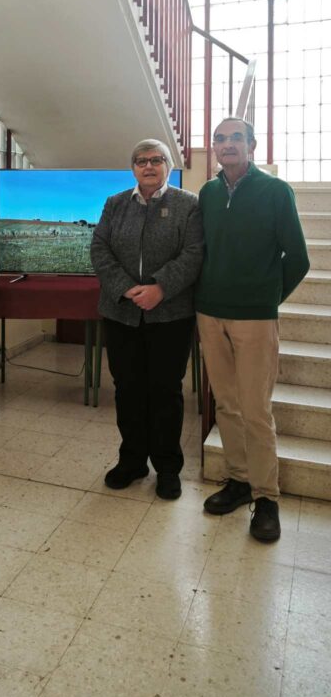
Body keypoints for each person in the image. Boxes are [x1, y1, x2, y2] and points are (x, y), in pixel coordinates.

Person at [196, 117, 309, 542]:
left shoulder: (276, 192)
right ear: (214, 149)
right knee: (226, 404)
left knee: (256, 410)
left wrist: (265, 298)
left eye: (235, 138)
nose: (227, 145)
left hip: (256, 318)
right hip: (209, 314)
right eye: (220, 139)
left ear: (252, 145)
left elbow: (297, 258)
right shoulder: (206, 193)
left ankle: (266, 497)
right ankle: (239, 481)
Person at [91, 139, 204, 500]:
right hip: (121, 313)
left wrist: (159, 288)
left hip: (170, 314)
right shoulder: (115, 204)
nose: (149, 166)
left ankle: (168, 468)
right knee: (127, 390)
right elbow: (99, 248)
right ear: (133, 168)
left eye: (157, 160)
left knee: (166, 391)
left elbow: (194, 253)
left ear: (168, 166)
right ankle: (133, 461)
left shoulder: (188, 205)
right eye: (141, 161)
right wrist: (126, 288)